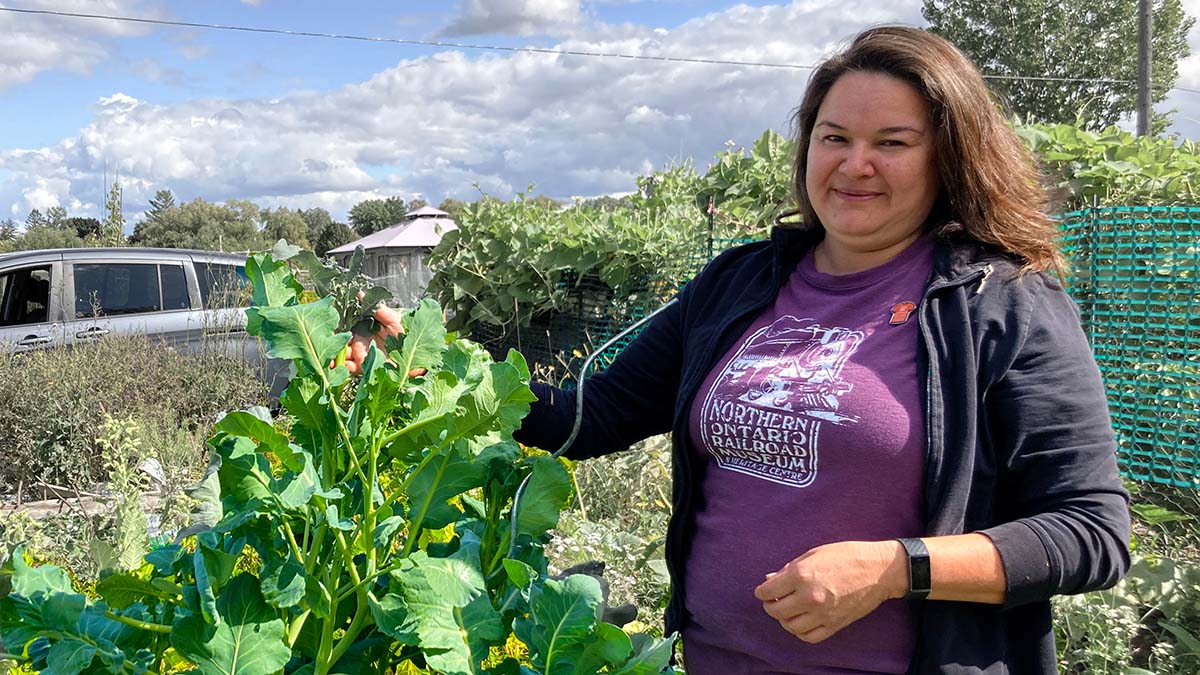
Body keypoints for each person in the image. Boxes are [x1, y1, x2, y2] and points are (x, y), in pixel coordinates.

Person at [351, 26, 1130, 675]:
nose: (855, 163)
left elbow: (1090, 531)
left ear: (947, 158)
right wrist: (436, 371)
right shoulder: (741, 282)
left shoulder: (999, 302)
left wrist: (896, 567)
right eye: (835, 136)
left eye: (891, 142)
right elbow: (595, 416)